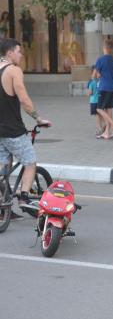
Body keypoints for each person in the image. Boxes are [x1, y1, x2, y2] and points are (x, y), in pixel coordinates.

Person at [0, 38, 50, 219]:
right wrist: (38, 118)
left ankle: (3, 208)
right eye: (19, 52)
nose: (21, 55)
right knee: (30, 163)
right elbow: (23, 99)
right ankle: (24, 197)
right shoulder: (13, 71)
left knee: (3, 168)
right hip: (13, 129)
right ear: (9, 53)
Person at [93, 39, 113, 139]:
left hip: (103, 86)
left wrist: (97, 75)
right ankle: (107, 132)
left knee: (99, 108)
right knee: (108, 108)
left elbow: (94, 75)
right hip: (112, 86)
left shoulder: (100, 59)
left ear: (104, 48)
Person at [86, 66, 104, 136]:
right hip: (100, 100)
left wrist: (88, 93)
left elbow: (90, 93)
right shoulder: (101, 81)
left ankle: (100, 128)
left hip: (93, 101)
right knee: (101, 114)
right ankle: (104, 125)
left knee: (97, 115)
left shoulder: (91, 82)